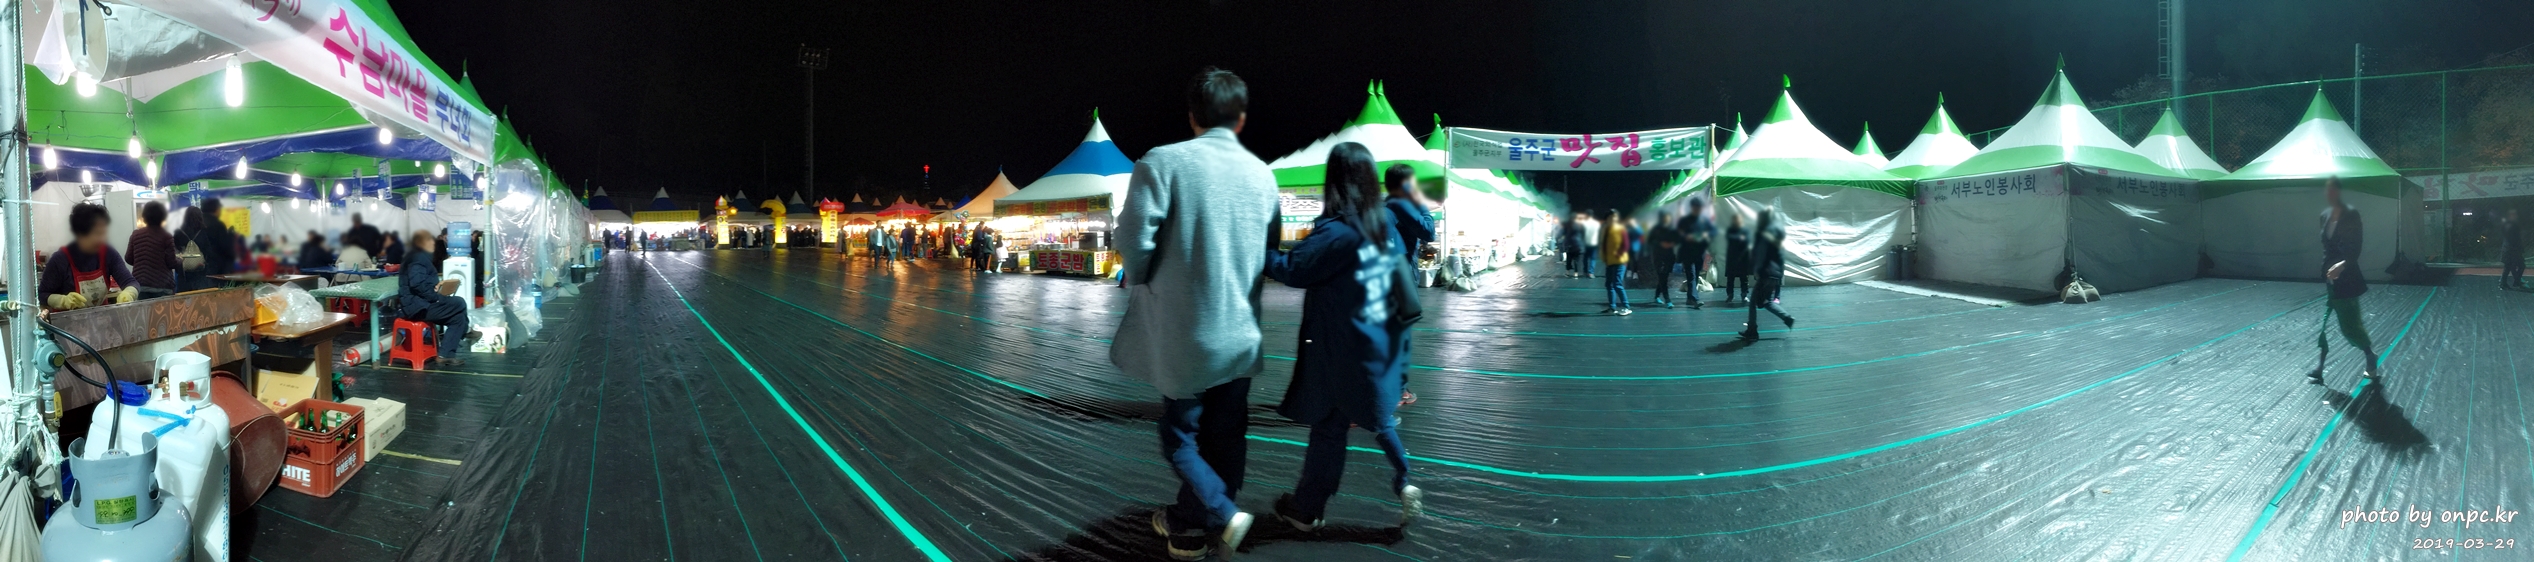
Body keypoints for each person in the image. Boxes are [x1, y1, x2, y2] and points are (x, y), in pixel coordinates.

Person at [1113, 67, 1275, 560]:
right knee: (1227, 433)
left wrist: (1141, 276)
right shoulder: (1263, 174)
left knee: (1178, 433)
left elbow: (1133, 239)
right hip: (1241, 331)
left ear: (1192, 116)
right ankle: (1190, 523)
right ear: (1240, 118)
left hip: (1185, 330)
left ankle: (1219, 514)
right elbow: (1269, 252)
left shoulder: (1163, 162)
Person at [1261, 142, 1424, 535]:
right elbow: (1407, 297)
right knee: (1374, 418)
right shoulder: (1387, 227)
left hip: (1340, 346)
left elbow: (1292, 268)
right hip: (1382, 343)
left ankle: (1307, 509)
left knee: (1330, 426)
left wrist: (1260, 244)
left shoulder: (1339, 231)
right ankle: (1403, 480)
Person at [2309, 178, 2379, 385]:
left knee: (2350, 326)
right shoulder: (2324, 215)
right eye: (2327, 191)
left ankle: (2370, 356)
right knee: (2325, 321)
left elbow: (2355, 247)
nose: (2329, 194)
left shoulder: (2351, 214)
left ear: (2338, 192)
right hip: (2330, 279)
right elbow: (2326, 248)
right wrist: (2326, 272)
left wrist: (2341, 266)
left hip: (2347, 278)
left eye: (2332, 190)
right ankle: (2320, 366)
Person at [40, 204, 139, 311]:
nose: (102, 239)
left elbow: (131, 282)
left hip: (101, 317)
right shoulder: (60, 260)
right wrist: (61, 301)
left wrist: (129, 293)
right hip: (67, 319)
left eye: (104, 233)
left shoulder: (108, 254)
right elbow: (41, 294)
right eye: (97, 234)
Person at [398, 230, 471, 368]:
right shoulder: (417, 258)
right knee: (459, 302)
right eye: (430, 241)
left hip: (422, 303)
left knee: (458, 319)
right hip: (418, 307)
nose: (433, 243)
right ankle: (466, 331)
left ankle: (445, 355)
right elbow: (417, 284)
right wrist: (435, 297)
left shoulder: (418, 257)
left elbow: (421, 281)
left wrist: (435, 286)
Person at [1739, 208, 1797, 340]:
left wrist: (1757, 270)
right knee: (1766, 301)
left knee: (1753, 303)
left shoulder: (1762, 234)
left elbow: (1760, 254)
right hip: (1775, 274)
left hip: (1766, 272)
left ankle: (1752, 330)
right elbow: (1780, 257)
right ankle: (1786, 317)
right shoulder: (1777, 235)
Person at [174, 200, 238, 291]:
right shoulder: (202, 232)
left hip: (184, 274)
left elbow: (175, 251)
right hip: (201, 273)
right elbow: (208, 252)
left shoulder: (178, 232)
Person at [125, 201, 180, 299]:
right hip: (163, 286)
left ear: (144, 216)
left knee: (143, 310)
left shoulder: (136, 235)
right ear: (163, 216)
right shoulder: (166, 236)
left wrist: (142, 261)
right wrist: (180, 260)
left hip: (140, 285)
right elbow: (172, 263)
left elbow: (128, 258)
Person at [1678, 199, 1718, 309]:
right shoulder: (1685, 221)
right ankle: (1695, 299)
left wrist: (1706, 235)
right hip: (1688, 253)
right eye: (1695, 207)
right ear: (1692, 208)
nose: (1697, 209)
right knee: (1691, 276)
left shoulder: (1704, 220)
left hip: (1699, 254)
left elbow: (1713, 231)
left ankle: (1689, 298)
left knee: (1695, 276)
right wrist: (1686, 237)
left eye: (1699, 207)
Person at [1600, 210, 1634, 315]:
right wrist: (1605, 257)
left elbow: (1626, 245)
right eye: (1610, 217)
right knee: (1609, 285)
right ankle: (1612, 307)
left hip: (1620, 261)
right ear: (1607, 219)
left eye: (1614, 217)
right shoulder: (1606, 229)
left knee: (1617, 284)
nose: (1613, 219)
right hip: (1610, 261)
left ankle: (1626, 307)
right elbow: (1604, 245)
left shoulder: (1621, 229)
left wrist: (1618, 254)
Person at [1646, 211, 1681, 308]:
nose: (1666, 219)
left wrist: (1672, 244)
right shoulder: (1656, 229)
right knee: (1662, 277)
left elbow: (1678, 240)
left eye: (1668, 217)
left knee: (1664, 277)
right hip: (1658, 257)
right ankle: (1667, 300)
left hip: (1669, 257)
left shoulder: (1672, 229)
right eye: (1665, 217)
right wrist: (1660, 243)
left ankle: (1657, 296)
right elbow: (1649, 241)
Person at [1722, 212, 1752, 303]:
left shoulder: (1745, 230)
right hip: (1732, 259)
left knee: (1744, 279)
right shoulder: (1730, 230)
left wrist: (1739, 239)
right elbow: (1729, 238)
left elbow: (1747, 240)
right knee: (1730, 279)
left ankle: (1744, 295)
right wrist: (1740, 238)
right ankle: (1730, 295)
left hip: (1743, 259)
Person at [2502, 208, 2525, 290]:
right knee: (2513, 266)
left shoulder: (2510, 225)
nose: (2516, 216)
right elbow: (2513, 239)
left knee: (2510, 267)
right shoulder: (2511, 226)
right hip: (2511, 250)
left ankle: (2511, 282)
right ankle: (2514, 281)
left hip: (2511, 250)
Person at [1578, 210, 1603, 278]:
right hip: (1594, 243)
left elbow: (1581, 233)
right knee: (1593, 258)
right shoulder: (1597, 223)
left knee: (1585, 258)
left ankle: (1585, 272)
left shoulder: (1584, 223)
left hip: (1585, 243)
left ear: (1586, 215)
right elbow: (1599, 233)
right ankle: (1591, 273)